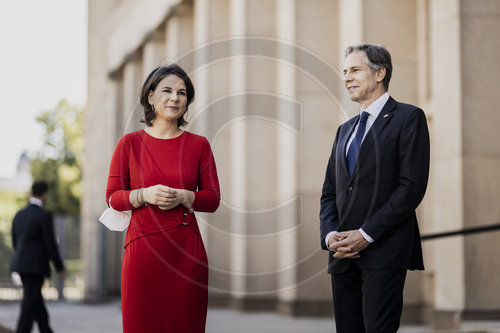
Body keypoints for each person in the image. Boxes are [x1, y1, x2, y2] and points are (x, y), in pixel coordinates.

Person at [319, 44, 430, 333]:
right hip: (342, 254)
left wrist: (366, 234)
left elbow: (411, 188)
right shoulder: (345, 130)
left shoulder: (408, 117)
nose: (347, 78)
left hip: (385, 251)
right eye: (344, 72)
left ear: (380, 73)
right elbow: (330, 192)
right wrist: (331, 236)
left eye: (355, 70)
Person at [106, 63, 220, 333]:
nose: (175, 98)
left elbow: (213, 199)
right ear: (150, 96)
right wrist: (143, 194)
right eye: (167, 90)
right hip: (142, 252)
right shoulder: (129, 144)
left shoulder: (199, 145)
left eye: (182, 93)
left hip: (186, 252)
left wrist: (184, 196)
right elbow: (113, 198)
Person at [11, 180, 65, 333]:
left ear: (31, 193)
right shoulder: (44, 215)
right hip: (36, 266)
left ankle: (46, 329)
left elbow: (15, 240)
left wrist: (22, 258)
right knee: (29, 305)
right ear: (45, 194)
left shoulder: (19, 214)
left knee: (35, 301)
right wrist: (59, 267)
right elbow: (50, 244)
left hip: (21, 264)